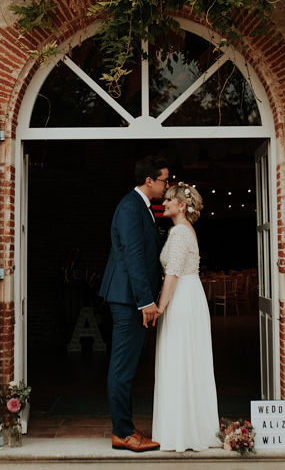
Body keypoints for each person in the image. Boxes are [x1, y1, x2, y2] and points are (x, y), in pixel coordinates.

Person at [99, 156, 169, 452]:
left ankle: (125, 426)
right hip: (128, 298)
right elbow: (133, 256)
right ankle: (122, 432)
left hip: (130, 297)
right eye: (164, 180)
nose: (168, 185)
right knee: (123, 367)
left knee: (126, 365)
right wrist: (145, 302)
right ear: (149, 180)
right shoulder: (130, 206)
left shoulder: (141, 206)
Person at [152, 183, 219, 451]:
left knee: (179, 359)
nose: (164, 203)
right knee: (186, 360)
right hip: (189, 294)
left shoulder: (180, 232)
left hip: (181, 297)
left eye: (169, 200)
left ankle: (181, 432)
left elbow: (173, 273)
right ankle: (188, 428)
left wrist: (160, 306)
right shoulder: (181, 230)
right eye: (165, 199)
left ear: (182, 206)